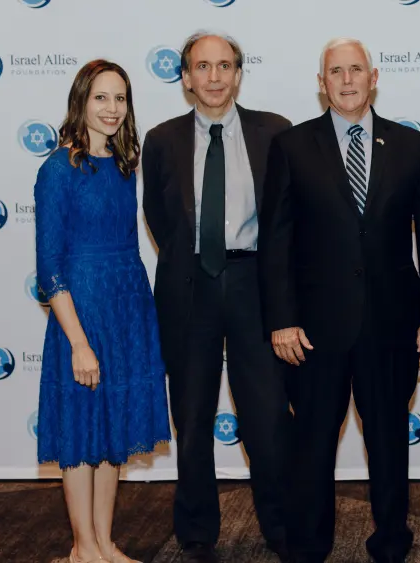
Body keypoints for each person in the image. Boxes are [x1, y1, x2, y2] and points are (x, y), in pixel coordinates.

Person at [257, 37, 420, 563]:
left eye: (355, 70)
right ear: (321, 83)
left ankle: (391, 542)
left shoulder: (411, 146)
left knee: (388, 442)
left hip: (392, 325)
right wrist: (281, 320)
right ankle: (308, 546)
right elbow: (275, 240)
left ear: (374, 77)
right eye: (335, 71)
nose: (346, 80)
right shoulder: (292, 146)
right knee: (313, 443)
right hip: (314, 329)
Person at [141, 31, 294, 563]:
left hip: (255, 286)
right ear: (186, 77)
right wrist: (194, 260)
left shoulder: (275, 132)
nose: (214, 77)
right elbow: (160, 218)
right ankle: (197, 531)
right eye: (202, 67)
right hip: (189, 288)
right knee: (192, 416)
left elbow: (286, 217)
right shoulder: (161, 139)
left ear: (238, 74)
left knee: (268, 416)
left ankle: (281, 525)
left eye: (224, 65)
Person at [34, 59, 172, 563]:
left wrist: (138, 318)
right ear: (81, 101)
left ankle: (105, 543)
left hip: (126, 309)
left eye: (120, 98)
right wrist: (78, 342)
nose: (112, 109)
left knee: (113, 429)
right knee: (79, 429)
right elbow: (49, 267)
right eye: (101, 98)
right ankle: (82, 548)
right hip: (82, 313)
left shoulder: (123, 165)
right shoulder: (58, 169)